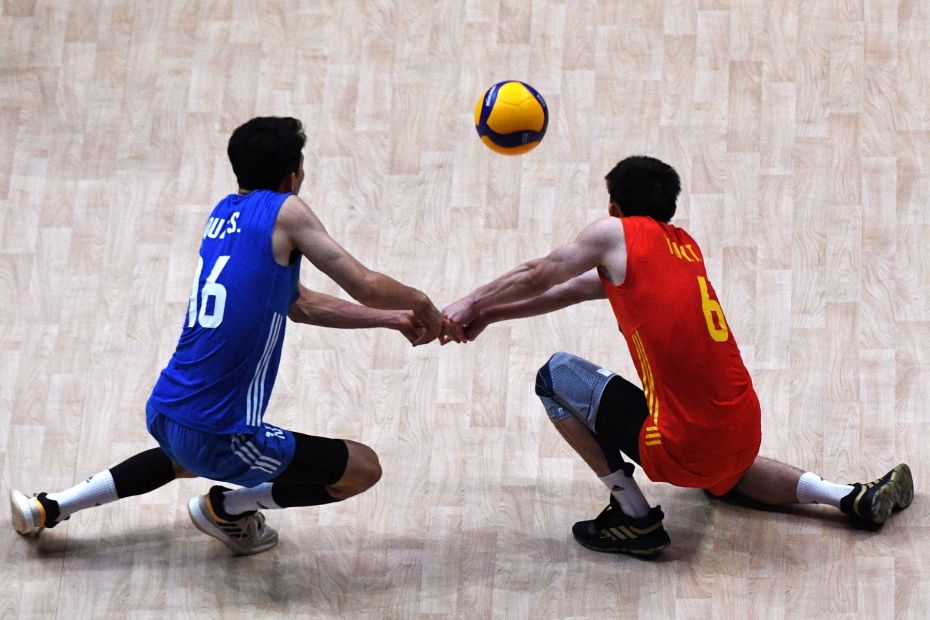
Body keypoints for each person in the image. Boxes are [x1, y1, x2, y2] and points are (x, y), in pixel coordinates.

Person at [11, 116, 445, 555]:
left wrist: (389, 320)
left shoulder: (223, 214)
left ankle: (48, 507)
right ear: (293, 177)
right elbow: (365, 284)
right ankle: (228, 509)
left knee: (184, 456)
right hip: (221, 434)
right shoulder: (287, 211)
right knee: (362, 468)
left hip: (165, 408)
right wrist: (420, 303)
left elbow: (299, 304)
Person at [442, 155, 914, 556]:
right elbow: (568, 291)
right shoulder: (682, 249)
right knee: (725, 470)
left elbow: (541, 272)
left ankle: (633, 517)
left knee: (555, 375)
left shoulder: (615, 234)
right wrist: (493, 314)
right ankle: (848, 496)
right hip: (743, 427)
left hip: (683, 446)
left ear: (614, 208)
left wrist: (471, 302)